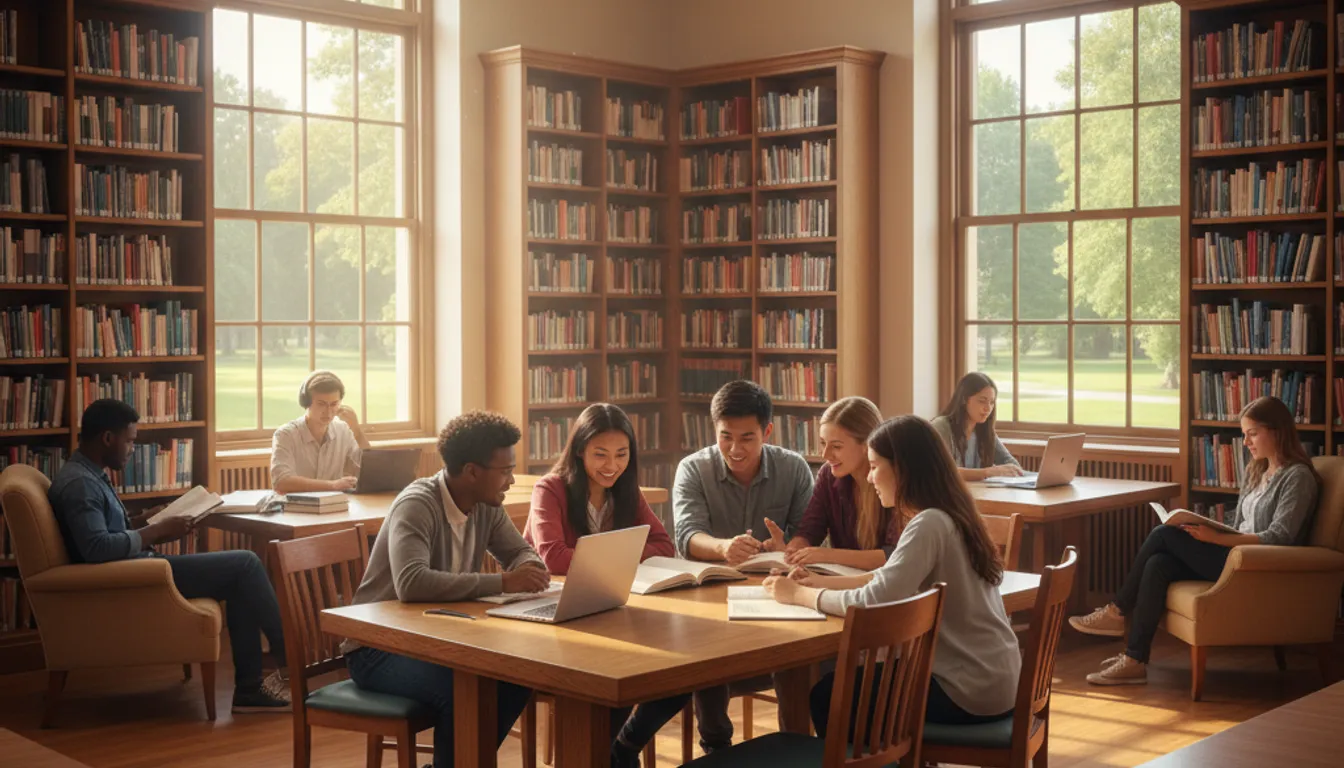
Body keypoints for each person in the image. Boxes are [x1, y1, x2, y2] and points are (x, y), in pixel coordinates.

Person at [763, 414, 1021, 732]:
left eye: (874, 466)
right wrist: (822, 582)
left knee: (829, 696)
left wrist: (800, 595)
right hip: (997, 681)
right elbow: (889, 577)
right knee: (848, 687)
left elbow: (876, 599)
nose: (870, 479)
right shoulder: (952, 515)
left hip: (965, 689)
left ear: (901, 469)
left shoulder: (929, 523)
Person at [48, 399, 290, 712]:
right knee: (245, 564)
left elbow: (104, 531)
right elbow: (97, 548)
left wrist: (146, 521)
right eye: (130, 440)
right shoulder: (81, 484)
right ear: (108, 438)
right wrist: (157, 532)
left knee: (239, 575)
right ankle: (289, 654)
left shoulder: (86, 473)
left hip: (135, 570)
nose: (132, 449)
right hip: (134, 577)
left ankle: (249, 687)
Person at [343, 411, 551, 768]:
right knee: (464, 694)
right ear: (472, 471)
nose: (511, 479)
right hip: (378, 647)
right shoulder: (417, 504)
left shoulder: (487, 505)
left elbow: (518, 550)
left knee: (518, 680)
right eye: (504, 471)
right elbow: (412, 582)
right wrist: (503, 582)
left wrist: (528, 566)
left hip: (439, 639)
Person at [1070, 396, 1320, 686]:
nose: (1246, 442)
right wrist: (1207, 526)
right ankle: (1134, 660)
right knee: (1158, 563)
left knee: (1164, 534)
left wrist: (1215, 538)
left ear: (1277, 431)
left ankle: (1116, 612)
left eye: (1252, 434)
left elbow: (1280, 537)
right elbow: (1239, 525)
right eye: (1244, 434)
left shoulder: (1298, 477)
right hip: (1234, 552)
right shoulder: (1258, 471)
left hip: (1253, 565)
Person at [524, 403, 685, 767]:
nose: (611, 465)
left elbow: (664, 544)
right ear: (579, 450)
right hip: (556, 618)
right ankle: (603, 755)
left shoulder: (626, 491)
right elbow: (554, 559)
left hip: (610, 610)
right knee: (620, 675)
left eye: (621, 454)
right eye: (600, 454)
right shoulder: (550, 489)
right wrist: (618, 555)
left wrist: (608, 556)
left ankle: (622, 748)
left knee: (683, 671)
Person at [673, 379, 814, 752]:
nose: (735, 449)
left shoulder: (794, 468)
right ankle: (716, 746)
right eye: (726, 437)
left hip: (778, 593)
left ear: (767, 431)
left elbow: (810, 537)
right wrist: (723, 547)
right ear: (714, 430)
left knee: (797, 645)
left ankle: (797, 745)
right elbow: (686, 535)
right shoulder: (692, 469)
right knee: (704, 640)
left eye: (747, 438)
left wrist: (789, 548)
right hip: (711, 599)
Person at [782, 396, 895, 571]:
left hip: (885, 589)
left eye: (836, 446)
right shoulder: (828, 475)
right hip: (844, 583)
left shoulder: (891, 479)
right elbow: (809, 531)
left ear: (867, 444)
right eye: (822, 444)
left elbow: (893, 556)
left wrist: (826, 555)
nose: (825, 455)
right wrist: (793, 549)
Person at [270, 370, 371, 493]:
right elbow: (281, 482)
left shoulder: (343, 430)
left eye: (334, 404)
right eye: (321, 404)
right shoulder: (285, 435)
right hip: (296, 508)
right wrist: (333, 485)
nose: (328, 412)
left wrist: (357, 431)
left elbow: (371, 470)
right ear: (306, 403)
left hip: (334, 507)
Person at [931, 372, 1023, 481]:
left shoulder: (984, 431)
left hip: (978, 494)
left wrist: (1010, 470)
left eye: (992, 402)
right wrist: (988, 472)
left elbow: (1012, 464)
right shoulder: (941, 426)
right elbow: (943, 471)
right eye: (982, 401)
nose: (988, 408)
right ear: (965, 399)